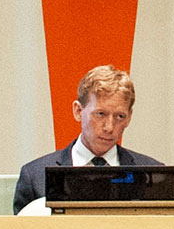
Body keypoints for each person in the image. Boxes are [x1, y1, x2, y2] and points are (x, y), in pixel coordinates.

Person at [14, 65, 163, 212]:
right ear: (78, 111)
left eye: (120, 116)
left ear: (129, 117)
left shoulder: (154, 175)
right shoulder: (35, 176)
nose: (109, 127)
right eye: (100, 114)